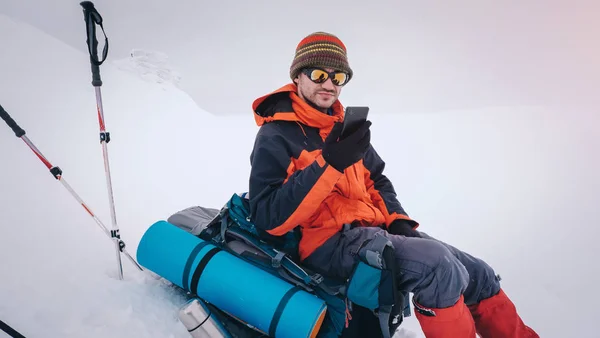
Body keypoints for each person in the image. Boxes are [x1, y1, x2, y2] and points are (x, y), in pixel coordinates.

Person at [247, 31, 539, 338]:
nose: (329, 84)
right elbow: (269, 218)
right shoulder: (276, 134)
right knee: (439, 268)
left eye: (339, 76)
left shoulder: (344, 128)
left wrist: (398, 222)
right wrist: (329, 164)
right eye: (319, 74)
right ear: (298, 77)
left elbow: (378, 181)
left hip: (373, 232)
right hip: (325, 243)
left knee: (478, 274)